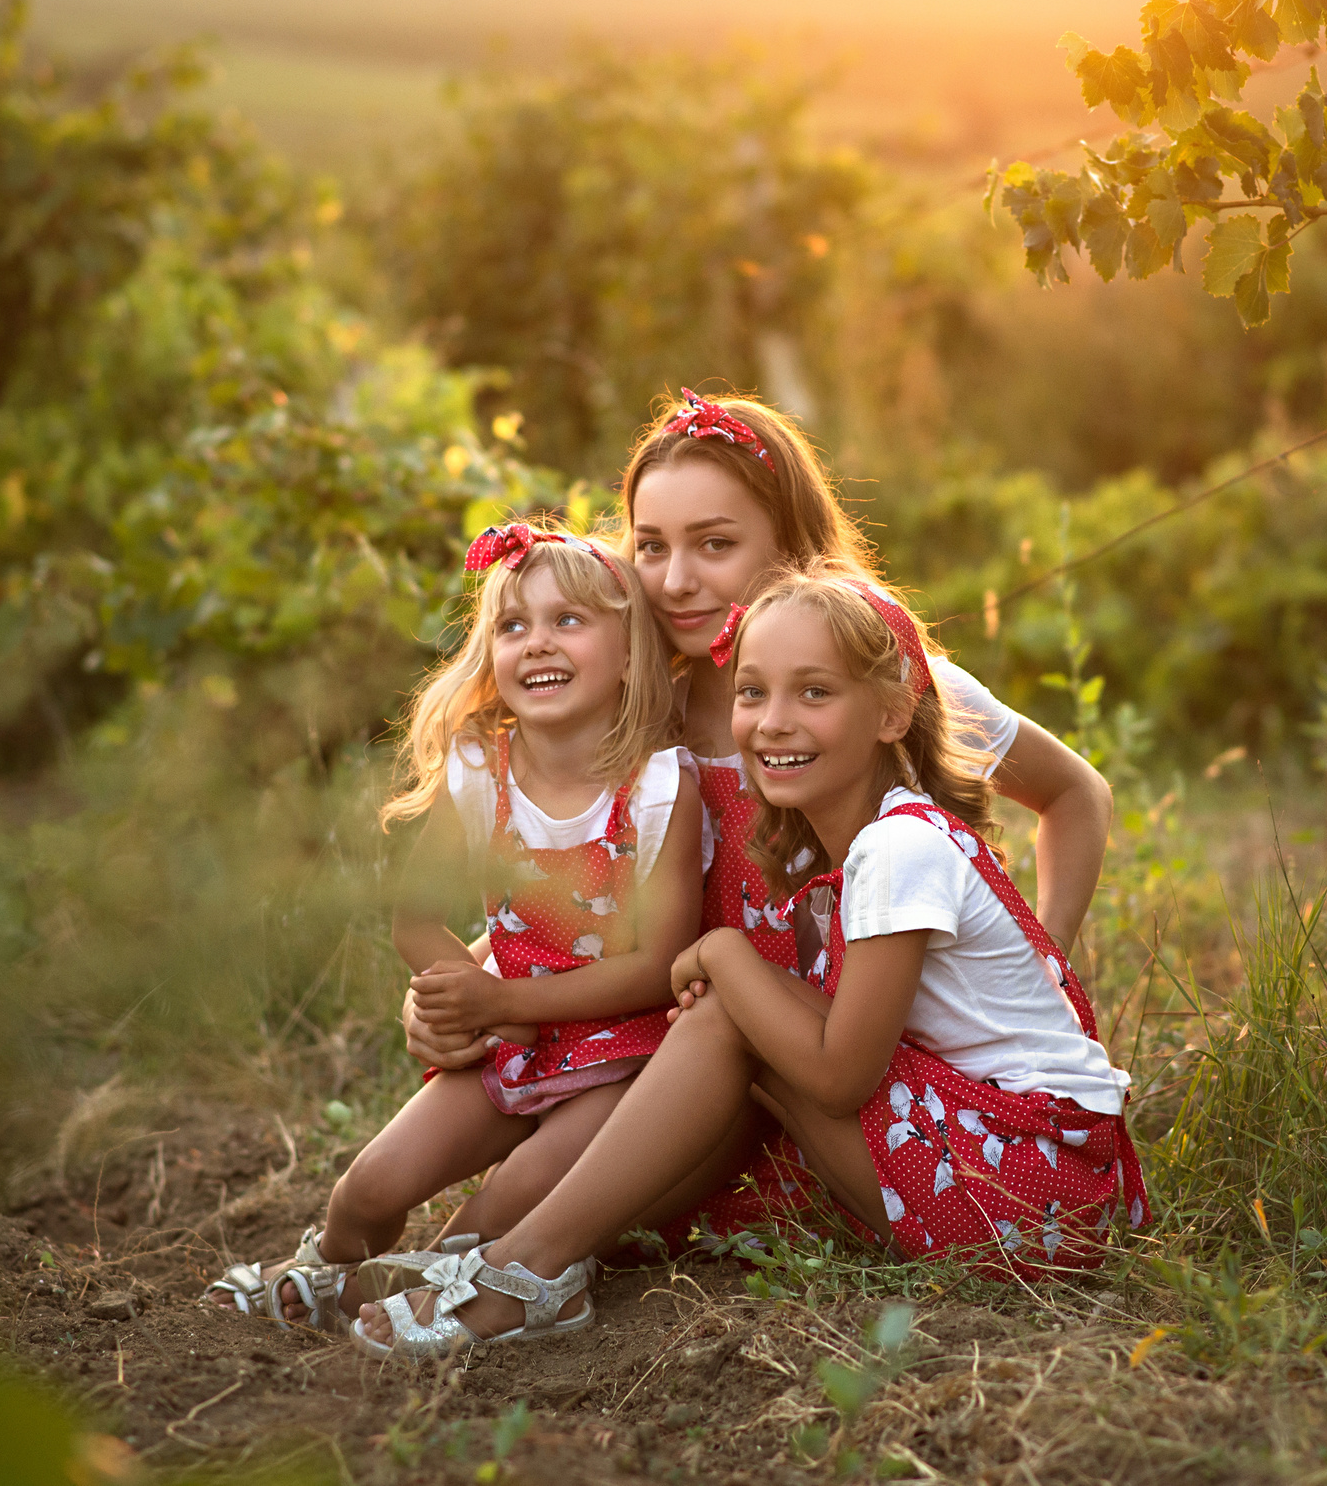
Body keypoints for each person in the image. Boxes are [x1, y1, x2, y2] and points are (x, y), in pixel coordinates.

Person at [360, 570, 1146, 1357]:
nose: (773, 723)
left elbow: (841, 1075)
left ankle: (520, 1271)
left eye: (813, 694)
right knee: (735, 1023)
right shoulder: (859, 845)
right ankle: (520, 1256)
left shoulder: (901, 846)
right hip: (1013, 1171)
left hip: (1037, 1184)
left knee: (734, 1009)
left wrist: (724, 953)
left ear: (893, 711)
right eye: (752, 693)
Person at [402, 388, 1115, 1243]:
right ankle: (465, 1265)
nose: (676, 579)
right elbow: (584, 880)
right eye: (653, 545)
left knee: (542, 1205)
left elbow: (1077, 795)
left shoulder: (862, 682)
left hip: (841, 1072)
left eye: (716, 544)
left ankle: (500, 1267)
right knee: (521, 1191)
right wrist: (477, 987)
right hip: (689, 1064)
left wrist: (1035, 981)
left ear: (791, 545)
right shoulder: (631, 705)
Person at [208, 521, 701, 1331]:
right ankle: (332, 1262)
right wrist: (457, 997)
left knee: (507, 1200)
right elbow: (415, 918)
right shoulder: (481, 767)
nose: (536, 642)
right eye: (513, 626)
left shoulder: (655, 784)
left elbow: (659, 964)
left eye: (568, 620)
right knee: (366, 1186)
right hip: (508, 1035)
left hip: (624, 1053)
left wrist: (500, 1002)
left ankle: (424, 1286)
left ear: (631, 650)